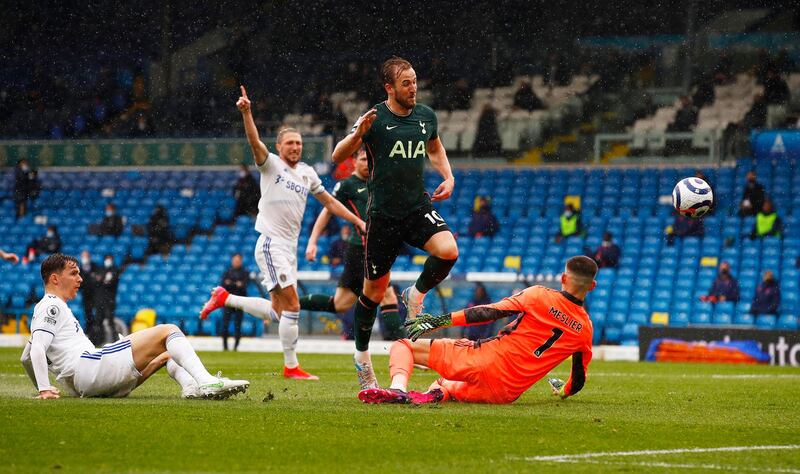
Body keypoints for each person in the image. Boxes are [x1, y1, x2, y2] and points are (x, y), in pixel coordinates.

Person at [199, 86, 366, 381]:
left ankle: (226, 298)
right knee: (294, 306)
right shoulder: (271, 165)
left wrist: (357, 220)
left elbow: (329, 202)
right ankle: (291, 367)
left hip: (289, 249)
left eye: (299, 143)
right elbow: (254, 142)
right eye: (290, 143)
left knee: (279, 312)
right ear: (279, 147)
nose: (295, 147)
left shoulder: (307, 173)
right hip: (271, 243)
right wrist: (247, 113)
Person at [331, 57, 459, 390]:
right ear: (389, 87)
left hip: (417, 207)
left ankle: (414, 296)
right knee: (372, 292)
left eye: (415, 81)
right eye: (406, 83)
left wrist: (448, 176)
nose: (413, 87)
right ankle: (361, 359)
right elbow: (337, 156)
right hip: (383, 217)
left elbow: (435, 146)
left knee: (448, 251)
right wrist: (356, 134)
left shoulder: (425, 116)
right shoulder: (374, 118)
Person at [358, 256, 598, 405]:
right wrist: (564, 392)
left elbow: (489, 312)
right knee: (445, 383)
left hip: (484, 360)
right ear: (593, 286)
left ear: (564, 278)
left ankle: (397, 389)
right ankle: (439, 393)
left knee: (404, 345)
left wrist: (439, 321)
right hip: (504, 393)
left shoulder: (539, 295)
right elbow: (577, 381)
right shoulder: (585, 330)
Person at [19, 253, 248, 400]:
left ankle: (191, 388)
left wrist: (44, 385)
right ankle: (207, 381)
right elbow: (37, 349)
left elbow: (26, 357)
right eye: (74, 273)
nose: (80, 279)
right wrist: (44, 389)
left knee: (166, 353)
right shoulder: (51, 306)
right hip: (91, 368)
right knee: (168, 330)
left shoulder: (49, 308)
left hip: (89, 383)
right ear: (55, 279)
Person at [301, 148, 404, 341]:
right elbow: (327, 211)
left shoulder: (378, 183)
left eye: (370, 160)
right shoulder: (347, 185)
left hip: (373, 250)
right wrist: (312, 241)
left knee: (340, 303)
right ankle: (408, 349)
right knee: (388, 296)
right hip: (361, 250)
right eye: (364, 159)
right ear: (354, 161)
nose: (367, 163)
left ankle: (289, 304)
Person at [219, 253, 249, 351]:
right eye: (234, 260)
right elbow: (223, 285)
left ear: (241, 261)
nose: (236, 262)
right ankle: (225, 347)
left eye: (238, 260)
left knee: (238, 325)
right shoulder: (227, 272)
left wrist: (231, 284)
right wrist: (237, 284)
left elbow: (244, 285)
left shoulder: (245, 272)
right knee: (225, 325)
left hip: (240, 302)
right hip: (228, 302)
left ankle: (236, 347)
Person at [93, 254, 121, 345]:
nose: (108, 261)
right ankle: (99, 341)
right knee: (98, 322)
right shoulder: (100, 269)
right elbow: (97, 280)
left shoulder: (115, 270)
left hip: (109, 301)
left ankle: (115, 341)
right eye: (107, 259)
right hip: (99, 300)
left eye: (109, 259)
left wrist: (103, 280)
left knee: (110, 322)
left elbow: (110, 282)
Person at [78, 250, 102, 345]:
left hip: (96, 296)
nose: (84, 259)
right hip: (86, 297)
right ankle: (89, 337)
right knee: (88, 317)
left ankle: (97, 339)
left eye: (86, 256)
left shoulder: (95, 267)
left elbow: (98, 279)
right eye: (83, 256)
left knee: (97, 318)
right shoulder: (79, 269)